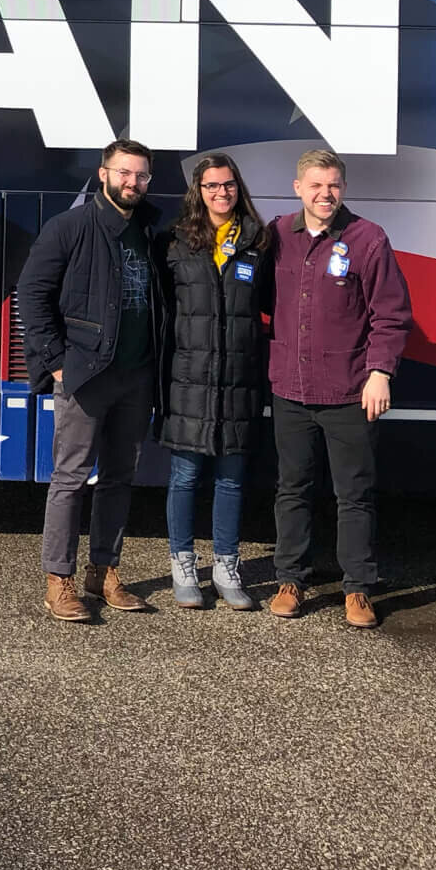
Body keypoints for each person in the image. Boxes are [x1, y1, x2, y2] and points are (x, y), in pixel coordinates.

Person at [16, 138, 169, 623]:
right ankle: (58, 581)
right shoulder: (71, 227)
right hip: (86, 374)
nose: (133, 182)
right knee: (70, 477)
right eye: (124, 173)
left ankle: (103, 572)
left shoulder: (150, 229)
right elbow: (31, 295)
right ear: (104, 174)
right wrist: (58, 362)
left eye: (141, 175)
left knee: (121, 477)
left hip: (137, 375)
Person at [265, 148, 410, 628]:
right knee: (293, 489)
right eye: (316, 185)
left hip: (349, 390)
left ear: (342, 189)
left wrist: (380, 372)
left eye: (333, 185)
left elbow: (390, 314)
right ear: (298, 188)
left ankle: (358, 588)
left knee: (355, 494)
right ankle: (290, 579)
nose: (325, 194)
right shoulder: (277, 235)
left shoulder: (368, 239)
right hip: (289, 388)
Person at [160, 152, 267, 611]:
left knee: (232, 479)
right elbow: (164, 311)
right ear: (198, 192)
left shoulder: (259, 243)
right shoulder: (177, 242)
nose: (221, 193)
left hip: (239, 380)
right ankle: (183, 564)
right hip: (189, 380)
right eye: (211, 186)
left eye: (228, 185)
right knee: (184, 476)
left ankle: (226, 567)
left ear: (237, 187)